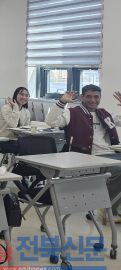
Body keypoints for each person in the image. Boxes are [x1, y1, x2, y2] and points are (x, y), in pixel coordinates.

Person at [45, 85, 121, 223]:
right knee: (119, 171)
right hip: (89, 156)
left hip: (112, 152)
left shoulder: (105, 113)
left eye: (96, 97)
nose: (93, 100)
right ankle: (106, 207)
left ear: (100, 98)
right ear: (82, 97)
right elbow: (50, 122)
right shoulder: (72, 112)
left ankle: (116, 202)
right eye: (89, 96)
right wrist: (62, 102)